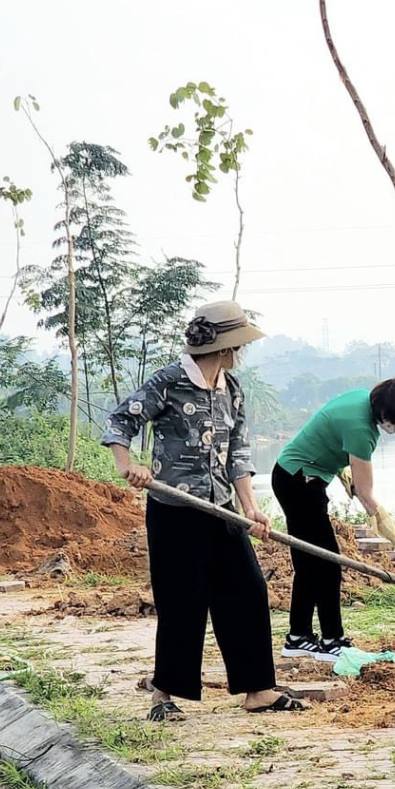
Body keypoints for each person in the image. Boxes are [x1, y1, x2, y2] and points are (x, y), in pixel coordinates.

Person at [102, 300, 297, 721]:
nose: (241, 352)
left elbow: (238, 454)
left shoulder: (232, 388)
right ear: (226, 347)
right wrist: (127, 465)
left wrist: (251, 508)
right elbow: (121, 422)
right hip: (174, 508)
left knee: (247, 589)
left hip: (223, 509)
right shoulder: (169, 382)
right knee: (182, 599)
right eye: (239, 345)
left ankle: (258, 689)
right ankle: (164, 694)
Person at [273, 378, 395, 661]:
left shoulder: (360, 399)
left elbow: (331, 438)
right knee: (328, 562)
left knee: (310, 562)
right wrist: (391, 532)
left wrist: (343, 473)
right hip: (300, 482)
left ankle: (298, 637)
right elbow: (366, 495)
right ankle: (332, 641)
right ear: (386, 413)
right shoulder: (361, 430)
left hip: (295, 476)